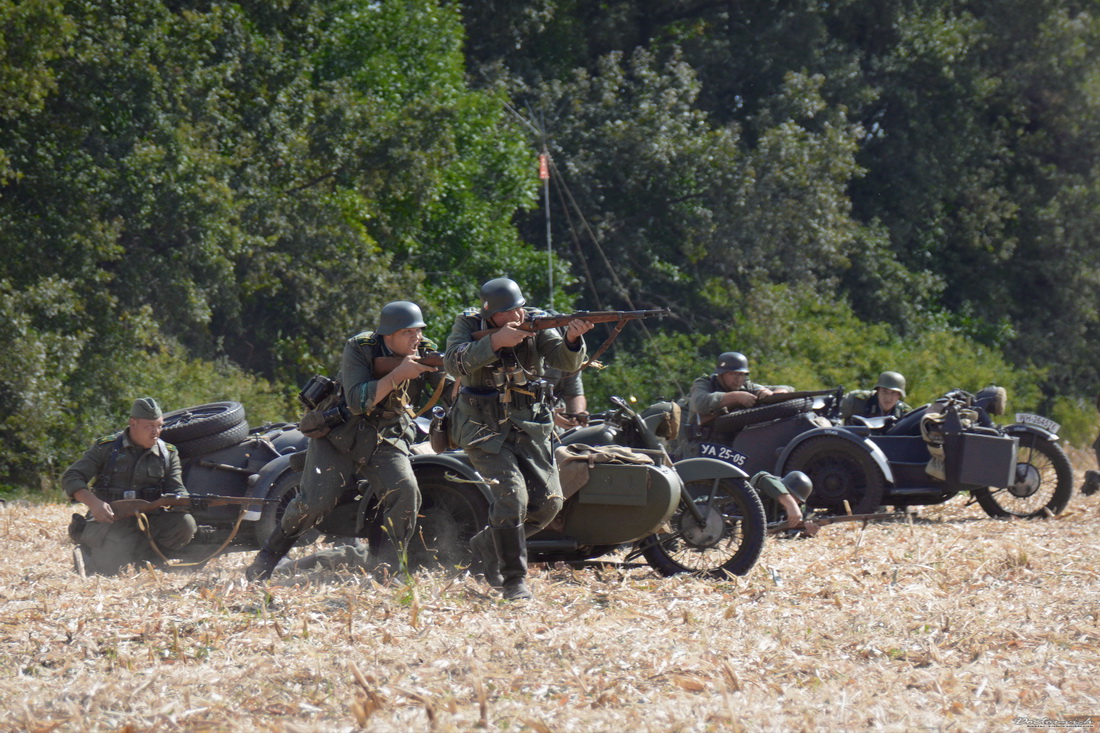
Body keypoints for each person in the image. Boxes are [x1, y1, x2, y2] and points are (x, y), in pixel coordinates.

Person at [246, 301, 450, 581]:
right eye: (408, 332)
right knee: (313, 504)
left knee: (405, 491)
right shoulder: (361, 347)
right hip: (339, 433)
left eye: (419, 331)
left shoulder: (425, 350)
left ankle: (392, 570)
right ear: (388, 334)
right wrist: (398, 375)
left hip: (386, 437)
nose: (416, 338)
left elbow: (449, 392)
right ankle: (267, 559)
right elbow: (357, 401)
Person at [444, 278, 592, 600]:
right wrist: (496, 342)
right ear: (491, 315)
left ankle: (488, 543)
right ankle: (514, 580)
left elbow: (564, 362)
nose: (517, 316)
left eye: (520, 308)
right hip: (482, 427)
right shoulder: (468, 323)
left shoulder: (537, 322)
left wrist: (572, 339)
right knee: (512, 497)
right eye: (509, 312)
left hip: (530, 425)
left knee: (549, 504)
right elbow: (453, 362)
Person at [63, 397, 196, 575]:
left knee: (185, 524)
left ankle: (152, 560)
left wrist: (181, 501)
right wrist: (94, 503)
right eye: (149, 426)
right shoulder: (107, 448)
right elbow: (72, 476)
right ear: (133, 423)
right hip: (111, 523)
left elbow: (177, 488)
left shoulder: (168, 453)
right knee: (107, 571)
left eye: (159, 426)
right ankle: (94, 556)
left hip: (149, 522)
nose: (156, 432)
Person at [688, 351, 791, 431]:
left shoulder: (745, 386)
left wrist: (773, 394)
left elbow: (785, 388)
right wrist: (735, 397)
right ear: (721, 374)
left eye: (741, 374)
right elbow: (698, 403)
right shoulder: (705, 383)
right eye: (733, 374)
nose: (739, 379)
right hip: (698, 440)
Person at [840, 371, 912, 423]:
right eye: (884, 391)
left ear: (899, 395)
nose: (888, 397)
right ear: (877, 391)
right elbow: (833, 415)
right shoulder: (856, 401)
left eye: (893, 393)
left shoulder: (906, 414)